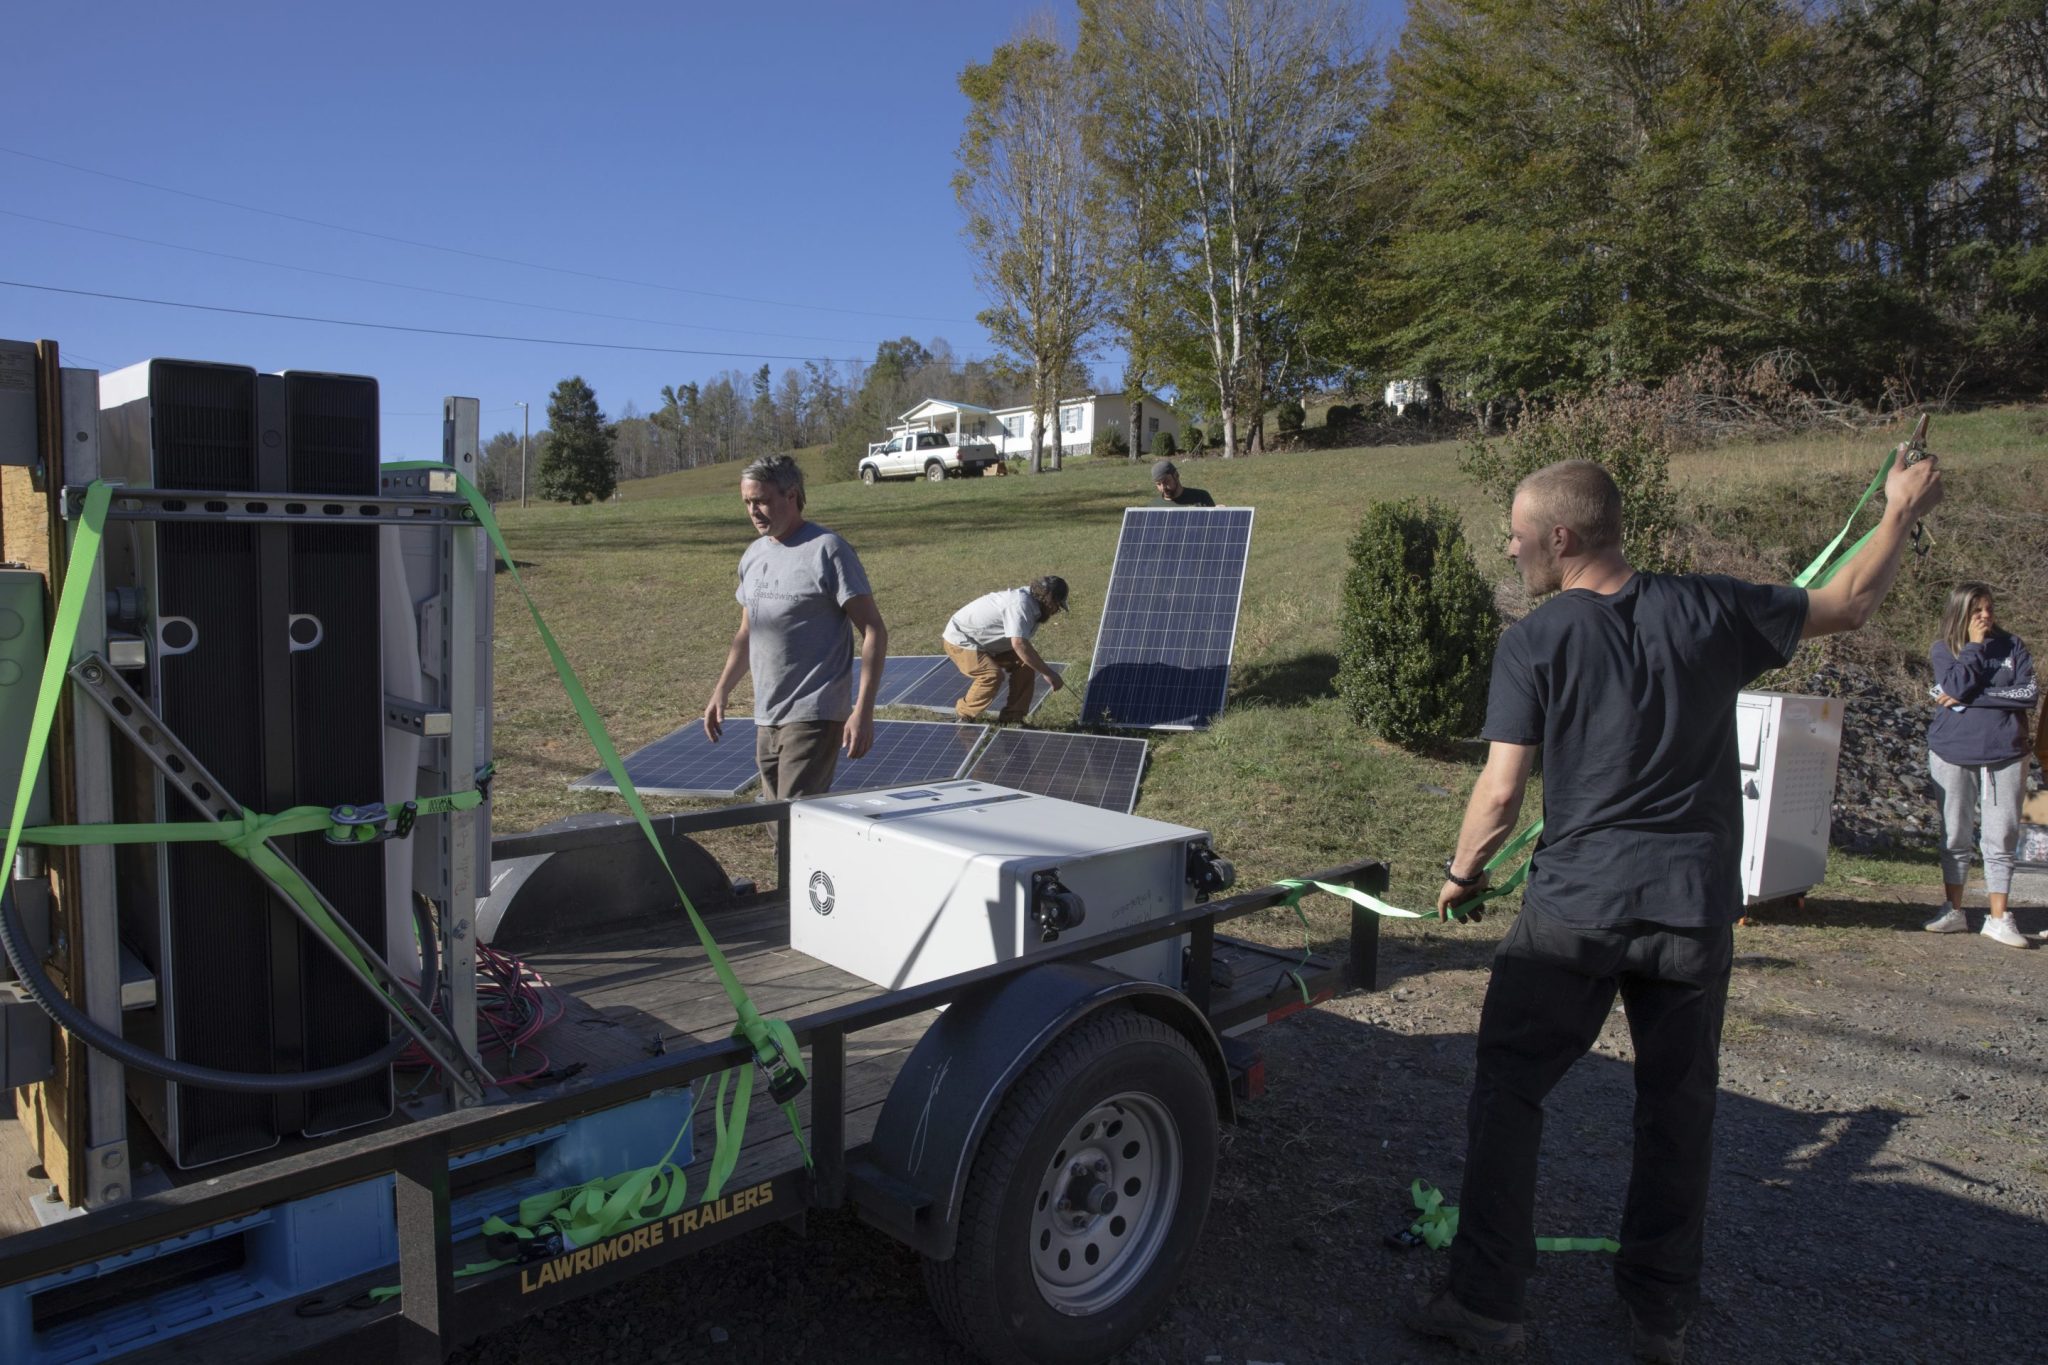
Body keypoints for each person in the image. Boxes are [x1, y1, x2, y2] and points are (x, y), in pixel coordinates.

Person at [1408, 452, 1943, 1363]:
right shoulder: (1712, 607)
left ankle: (1487, 1304)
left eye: (1517, 531)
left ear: (1562, 537)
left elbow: (1501, 794)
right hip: (1691, 910)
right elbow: (1850, 602)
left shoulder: (1534, 640)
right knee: (1677, 1107)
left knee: (1508, 1091)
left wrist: (1461, 874)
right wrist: (1898, 510)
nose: (1511, 545)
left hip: (1575, 909)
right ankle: (1660, 1316)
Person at [705, 454, 887, 799]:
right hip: (767, 714)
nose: (753, 511)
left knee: (794, 819)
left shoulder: (827, 550)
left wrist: (863, 711)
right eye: (747, 502)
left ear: (791, 495)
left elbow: (874, 629)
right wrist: (722, 690)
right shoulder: (754, 555)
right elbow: (747, 632)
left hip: (814, 713)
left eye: (762, 501)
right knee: (779, 825)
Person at [1922, 582, 2036, 947]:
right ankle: (1953, 910)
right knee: (1954, 834)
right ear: (1961, 614)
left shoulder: (2013, 645)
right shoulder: (1944, 649)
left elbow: (2027, 694)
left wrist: (1973, 698)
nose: (1986, 616)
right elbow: (1953, 681)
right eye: (1977, 611)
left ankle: (1999, 917)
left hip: (2007, 751)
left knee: (2001, 835)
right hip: (1951, 750)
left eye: (1988, 608)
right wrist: (1973, 648)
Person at [940, 577, 1069, 723]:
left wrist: (1042, 668)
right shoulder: (1020, 604)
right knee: (991, 674)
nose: (1056, 611)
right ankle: (963, 715)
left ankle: (1013, 718)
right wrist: (1049, 673)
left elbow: (1021, 645)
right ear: (1049, 601)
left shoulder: (1034, 605)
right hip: (961, 639)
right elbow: (1019, 644)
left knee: (1026, 664)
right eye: (1057, 606)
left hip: (987, 642)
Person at [1151, 458, 1215, 507]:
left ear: (1176, 475)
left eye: (1166, 481)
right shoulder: (1153, 507)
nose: (1163, 487)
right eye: (1158, 484)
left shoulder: (1201, 497)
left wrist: (1220, 512)